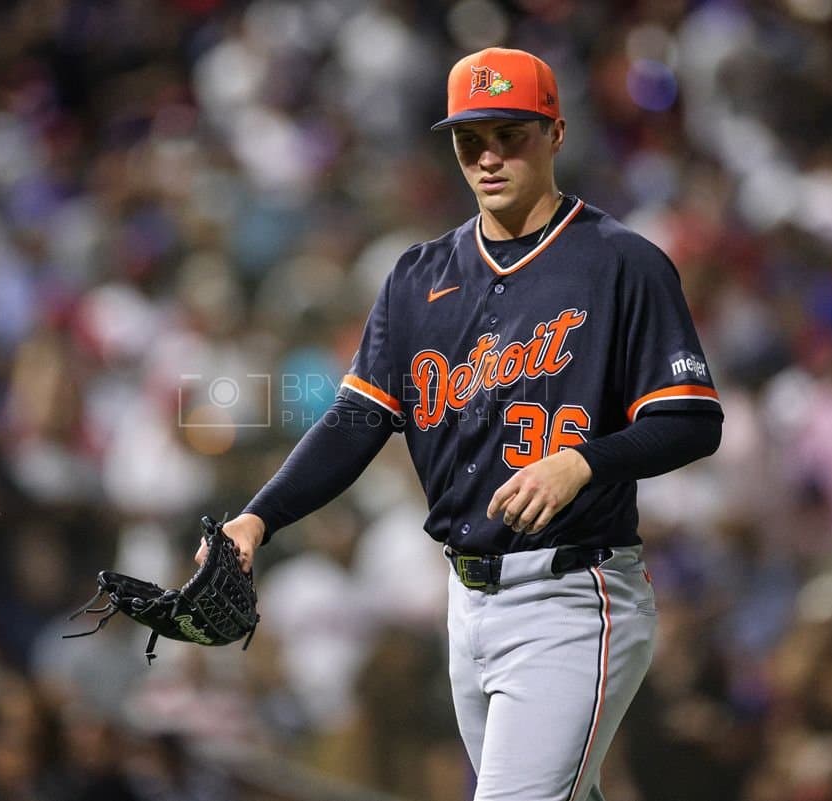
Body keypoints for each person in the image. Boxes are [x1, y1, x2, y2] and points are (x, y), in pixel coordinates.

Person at [197, 47, 723, 801]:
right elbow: (355, 421)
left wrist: (584, 461)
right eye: (470, 138)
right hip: (467, 601)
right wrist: (257, 518)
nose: (488, 155)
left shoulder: (622, 264)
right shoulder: (419, 276)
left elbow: (692, 420)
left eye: (510, 133)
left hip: (574, 595)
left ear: (556, 133)